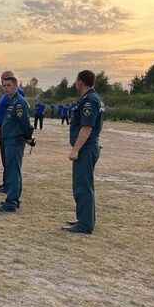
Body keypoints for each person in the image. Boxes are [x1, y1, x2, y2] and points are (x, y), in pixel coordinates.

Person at [64, 70, 105, 234]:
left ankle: (85, 224)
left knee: (82, 185)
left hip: (86, 148)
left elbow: (87, 127)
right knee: (85, 184)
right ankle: (85, 218)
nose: (75, 84)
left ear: (80, 82)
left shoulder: (89, 100)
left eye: (76, 81)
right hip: (89, 146)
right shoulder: (94, 98)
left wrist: (75, 149)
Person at [0, 76, 34, 212]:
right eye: (4, 86)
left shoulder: (19, 103)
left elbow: (25, 123)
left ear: (16, 86)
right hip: (9, 139)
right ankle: (14, 199)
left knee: (12, 171)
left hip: (15, 140)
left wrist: (28, 138)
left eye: (9, 85)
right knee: (13, 170)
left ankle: (11, 202)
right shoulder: (12, 101)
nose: (6, 88)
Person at [0, 71, 25, 194]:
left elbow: (17, 115)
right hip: (5, 130)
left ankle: (11, 188)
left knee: (11, 161)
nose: (3, 82)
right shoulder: (5, 94)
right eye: (2, 80)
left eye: (5, 79)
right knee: (5, 159)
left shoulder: (17, 94)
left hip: (12, 132)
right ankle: (6, 183)